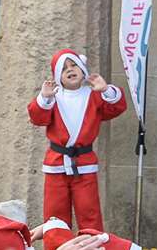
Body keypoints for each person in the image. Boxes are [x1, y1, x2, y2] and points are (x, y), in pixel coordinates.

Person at [27, 48, 126, 232]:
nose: (70, 70)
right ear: (58, 76)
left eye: (74, 65)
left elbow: (117, 108)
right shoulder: (53, 98)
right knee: (55, 215)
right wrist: (44, 98)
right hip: (56, 163)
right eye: (64, 69)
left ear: (82, 69)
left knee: (90, 212)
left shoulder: (94, 95)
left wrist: (105, 90)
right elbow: (37, 118)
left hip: (85, 163)